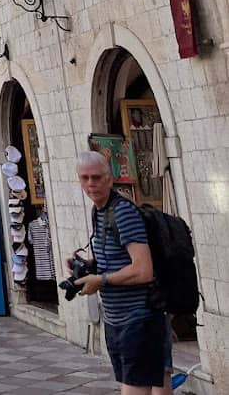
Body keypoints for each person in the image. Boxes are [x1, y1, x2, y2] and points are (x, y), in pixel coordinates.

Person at [71, 150, 172, 395]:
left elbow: (143, 270)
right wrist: (88, 266)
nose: (91, 184)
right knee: (160, 387)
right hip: (118, 319)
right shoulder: (100, 211)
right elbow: (116, 258)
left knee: (135, 389)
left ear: (109, 179)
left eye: (96, 177)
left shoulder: (123, 212)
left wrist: (101, 280)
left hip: (138, 319)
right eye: (85, 178)